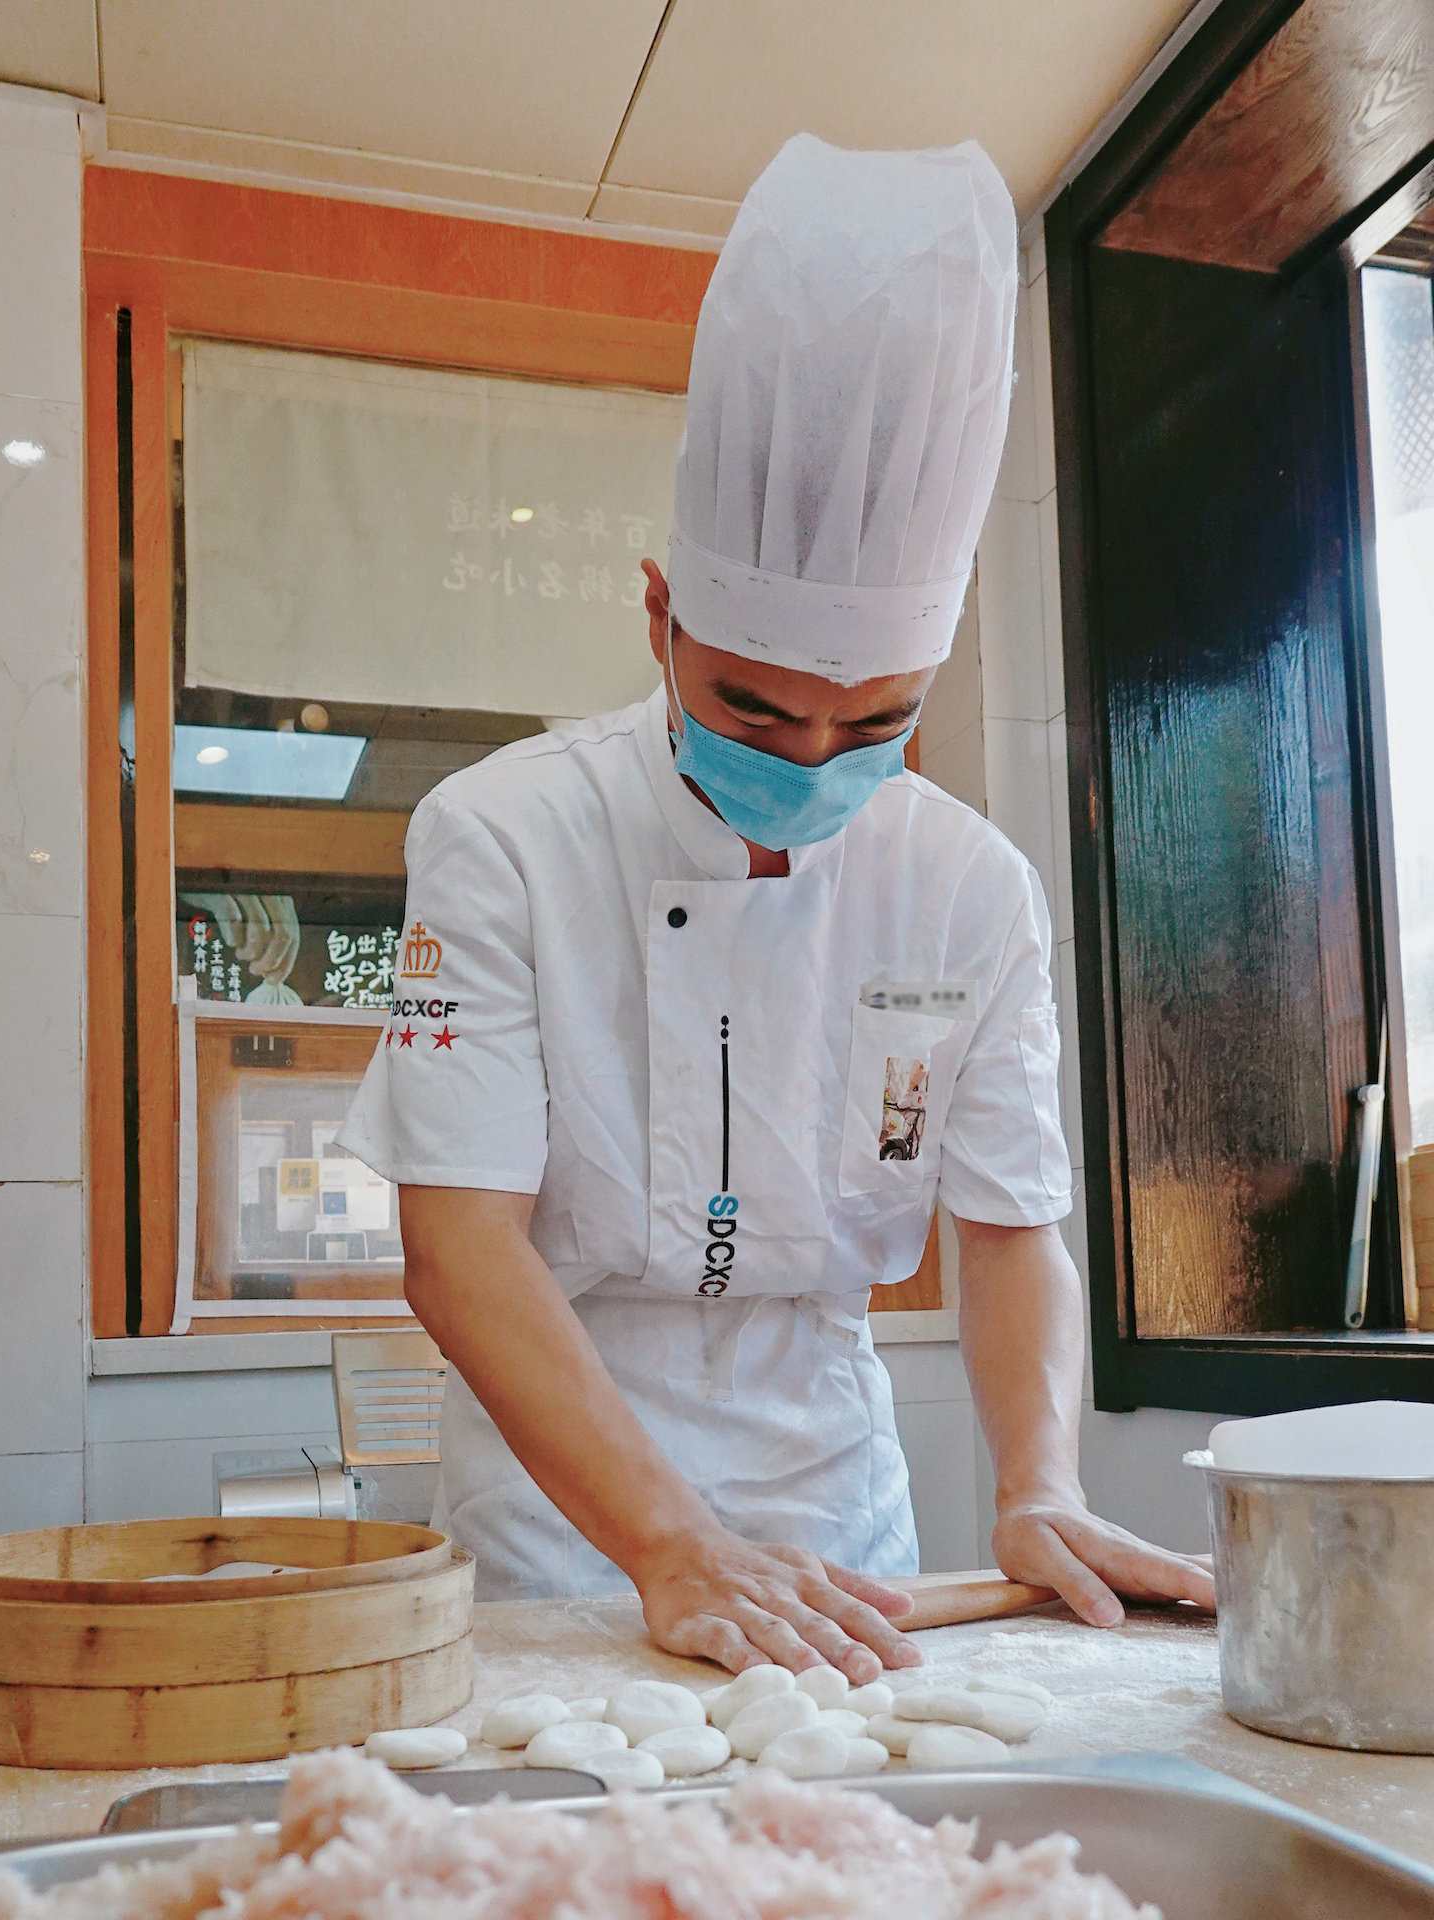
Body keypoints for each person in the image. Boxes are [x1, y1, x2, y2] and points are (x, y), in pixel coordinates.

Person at [338, 134, 1214, 1681]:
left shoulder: (968, 889)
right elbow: (457, 1247)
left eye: (875, 725)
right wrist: (668, 1547)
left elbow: (1012, 1228)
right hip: (569, 1531)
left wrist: (1041, 1486)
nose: (814, 761)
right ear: (663, 619)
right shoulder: (500, 836)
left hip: (837, 1517)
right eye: (758, 714)